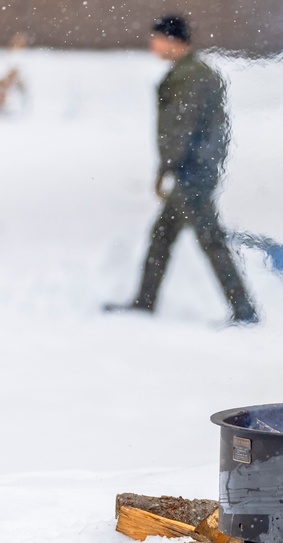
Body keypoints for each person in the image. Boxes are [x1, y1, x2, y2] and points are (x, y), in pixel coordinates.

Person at [105, 15, 258, 323]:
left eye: (157, 38)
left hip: (192, 175)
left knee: (209, 241)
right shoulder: (194, 73)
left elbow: (181, 128)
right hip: (194, 171)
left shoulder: (190, 77)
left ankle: (243, 309)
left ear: (173, 41)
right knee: (163, 236)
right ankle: (145, 302)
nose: (153, 44)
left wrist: (167, 167)